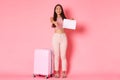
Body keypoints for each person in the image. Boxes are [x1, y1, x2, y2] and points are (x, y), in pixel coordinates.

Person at [50, 4, 68, 78]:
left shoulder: (64, 19)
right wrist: (54, 22)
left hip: (63, 37)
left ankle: (64, 72)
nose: (58, 10)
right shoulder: (53, 18)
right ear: (55, 10)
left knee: (63, 56)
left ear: (61, 10)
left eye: (60, 8)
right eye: (57, 8)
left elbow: (70, 25)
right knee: (56, 56)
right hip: (56, 37)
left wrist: (72, 21)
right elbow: (51, 20)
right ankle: (56, 72)